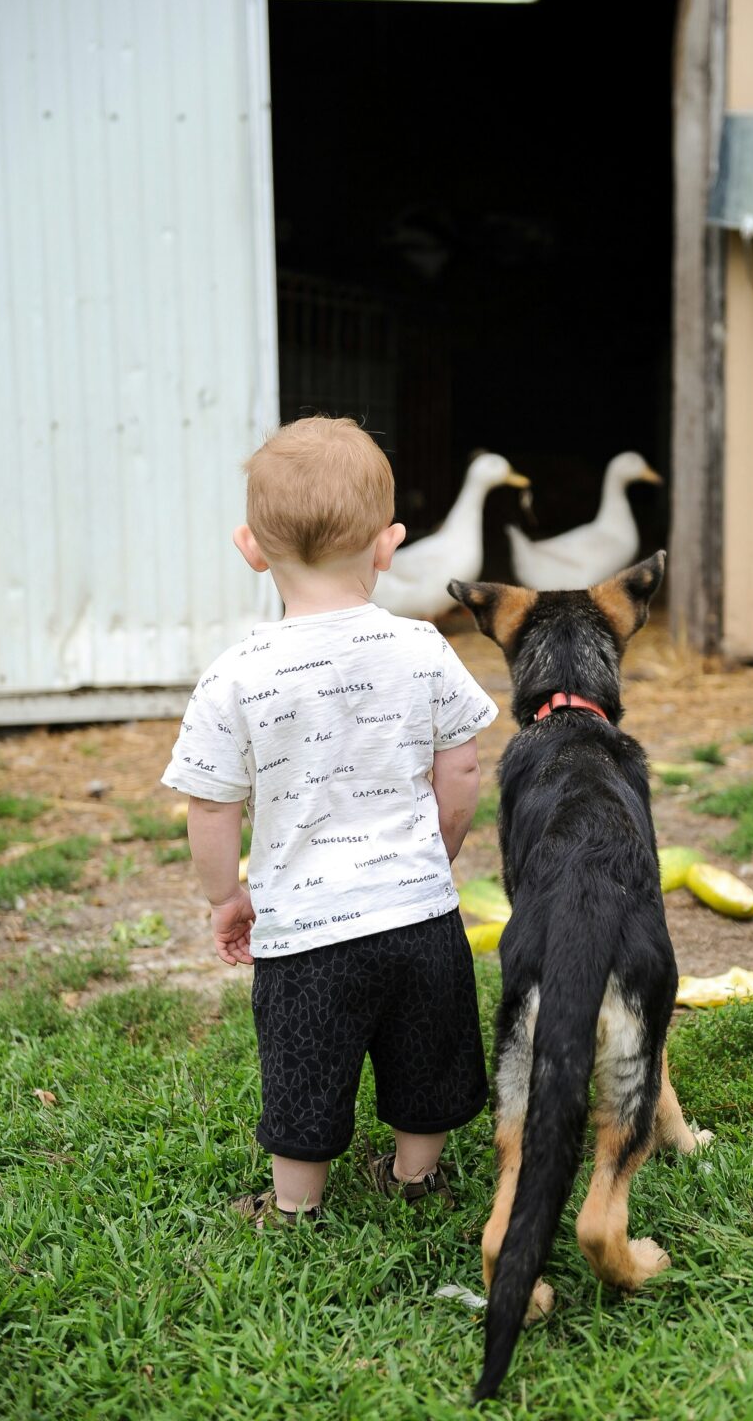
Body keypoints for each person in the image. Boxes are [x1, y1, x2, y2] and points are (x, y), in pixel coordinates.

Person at [162, 416, 497, 1224]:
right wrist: (438, 851)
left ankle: (293, 1206)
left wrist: (225, 896)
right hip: (419, 917)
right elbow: (460, 770)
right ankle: (416, 1177)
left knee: (304, 1069)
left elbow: (210, 803)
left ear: (250, 548)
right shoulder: (423, 648)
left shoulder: (235, 675)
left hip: (308, 932)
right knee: (427, 1058)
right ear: (388, 545)